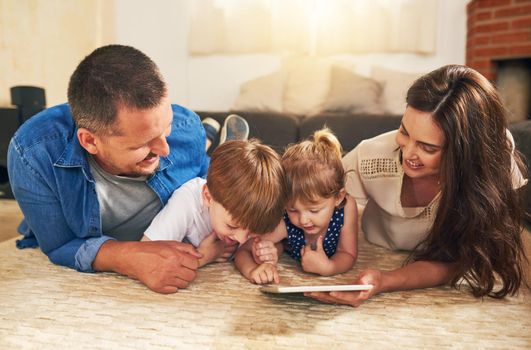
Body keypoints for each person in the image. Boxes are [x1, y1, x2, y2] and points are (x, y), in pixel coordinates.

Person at [7, 44, 246, 294]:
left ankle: (218, 146)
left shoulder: (186, 128)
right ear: (90, 141)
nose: (165, 150)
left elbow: (212, 198)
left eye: (166, 128)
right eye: (144, 144)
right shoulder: (33, 154)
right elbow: (60, 244)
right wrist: (130, 257)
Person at [306, 64, 528, 307]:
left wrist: (384, 281)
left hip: (432, 263)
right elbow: (308, 198)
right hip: (375, 245)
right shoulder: (371, 155)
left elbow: (461, 261)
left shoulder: (492, 160)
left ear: (465, 153)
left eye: (428, 147)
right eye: (404, 131)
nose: (408, 152)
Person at [235, 128, 359, 284]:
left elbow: (348, 253)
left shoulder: (346, 207)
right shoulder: (285, 220)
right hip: (284, 242)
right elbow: (243, 251)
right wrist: (253, 270)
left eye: (314, 210)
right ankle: (280, 245)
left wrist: (328, 267)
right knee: (267, 248)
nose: (304, 220)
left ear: (338, 197)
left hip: (324, 257)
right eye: (293, 209)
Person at [142, 139, 287, 271]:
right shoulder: (187, 202)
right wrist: (205, 255)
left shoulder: (259, 208)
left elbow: (279, 242)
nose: (242, 239)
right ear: (208, 197)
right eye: (232, 226)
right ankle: (208, 137)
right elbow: (146, 256)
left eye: (251, 232)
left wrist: (269, 252)